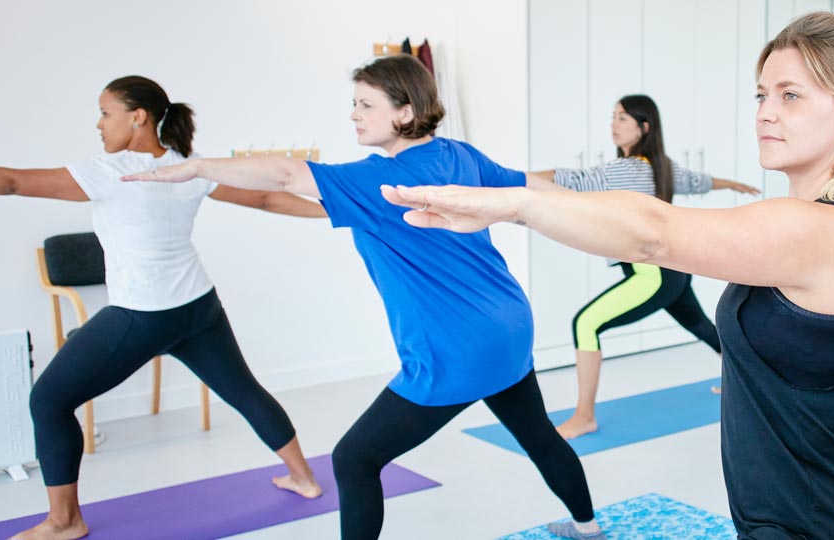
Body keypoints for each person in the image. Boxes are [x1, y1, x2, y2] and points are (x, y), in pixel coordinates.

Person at [381, 11, 834, 539]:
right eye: (762, 93)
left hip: (815, 519)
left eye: (791, 95)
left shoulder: (812, 230)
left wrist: (519, 205)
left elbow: (657, 231)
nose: (764, 111)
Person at [124, 55, 604, 540]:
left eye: (366, 105)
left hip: (455, 347)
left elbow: (287, 176)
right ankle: (588, 529)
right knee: (539, 435)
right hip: (509, 325)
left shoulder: (379, 179)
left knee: (354, 458)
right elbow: (530, 187)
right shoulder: (460, 155)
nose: (354, 114)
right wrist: (600, 206)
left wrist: (198, 166)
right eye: (354, 103)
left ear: (404, 111)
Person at [0, 75, 325, 540]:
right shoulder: (188, 166)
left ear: (138, 117)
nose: (99, 124)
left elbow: (10, 183)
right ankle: (305, 479)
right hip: (197, 307)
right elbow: (268, 197)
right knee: (243, 390)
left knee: (48, 400)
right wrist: (342, 211)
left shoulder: (112, 171)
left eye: (106, 113)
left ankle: (64, 521)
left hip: (141, 316)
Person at [534, 93, 760, 438]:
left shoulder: (628, 169)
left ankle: (584, 416)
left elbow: (573, 179)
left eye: (622, 118)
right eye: (613, 116)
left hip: (650, 274)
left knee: (586, 324)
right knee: (699, 324)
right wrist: (733, 184)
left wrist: (504, 177)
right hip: (674, 268)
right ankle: (750, 385)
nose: (614, 124)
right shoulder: (662, 166)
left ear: (644, 127)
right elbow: (698, 182)